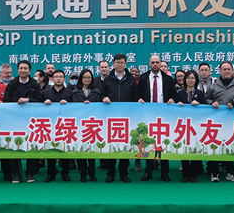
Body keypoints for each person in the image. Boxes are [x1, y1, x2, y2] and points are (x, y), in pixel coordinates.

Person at [206, 61, 234, 182]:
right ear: (220, 71)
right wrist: (211, 103)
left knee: (230, 146)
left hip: (231, 122)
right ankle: (214, 172)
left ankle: (230, 172)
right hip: (215, 122)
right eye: (224, 69)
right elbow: (205, 99)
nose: (226, 71)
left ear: (232, 71)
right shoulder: (213, 85)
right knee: (214, 146)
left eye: (228, 69)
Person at [138, 55, 177, 182]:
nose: (155, 64)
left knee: (163, 143)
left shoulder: (168, 79)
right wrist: (139, 99)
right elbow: (138, 95)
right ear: (149, 64)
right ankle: (148, 172)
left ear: (160, 64)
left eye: (157, 62)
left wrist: (173, 99)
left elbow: (174, 95)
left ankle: (165, 172)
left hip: (164, 116)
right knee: (148, 143)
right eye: (153, 62)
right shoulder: (143, 78)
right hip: (147, 115)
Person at [101, 53, 139, 183]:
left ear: (125, 64)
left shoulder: (131, 79)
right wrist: (104, 98)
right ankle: (110, 174)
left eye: (122, 62)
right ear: (113, 64)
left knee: (124, 147)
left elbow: (135, 97)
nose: (119, 65)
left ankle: (123, 174)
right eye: (117, 62)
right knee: (111, 147)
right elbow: (102, 94)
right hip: (111, 118)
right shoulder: (108, 79)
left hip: (127, 118)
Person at [4, 59, 43, 183]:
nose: (23, 70)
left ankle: (29, 173)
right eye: (21, 68)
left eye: (25, 68)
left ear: (29, 70)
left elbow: (40, 100)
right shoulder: (12, 84)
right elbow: (6, 101)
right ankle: (16, 174)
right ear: (18, 70)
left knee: (30, 146)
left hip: (31, 121)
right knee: (15, 146)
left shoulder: (35, 84)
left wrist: (28, 100)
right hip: (14, 120)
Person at [175, 70, 207, 183]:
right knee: (185, 149)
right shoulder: (180, 93)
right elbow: (173, 107)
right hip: (183, 126)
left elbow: (206, 108)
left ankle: (194, 174)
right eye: (188, 78)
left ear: (196, 80)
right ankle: (185, 174)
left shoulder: (200, 93)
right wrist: (177, 105)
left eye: (192, 78)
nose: (190, 80)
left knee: (195, 149)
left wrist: (199, 105)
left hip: (196, 126)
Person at [42, 70, 73, 182]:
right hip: (50, 125)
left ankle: (65, 173)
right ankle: (51, 173)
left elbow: (75, 108)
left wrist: (68, 104)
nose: (58, 79)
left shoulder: (70, 93)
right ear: (52, 79)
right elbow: (39, 108)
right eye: (56, 77)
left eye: (61, 77)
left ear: (64, 79)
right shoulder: (46, 93)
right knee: (51, 150)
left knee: (64, 150)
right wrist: (45, 103)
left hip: (65, 125)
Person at [72, 69, 101, 182]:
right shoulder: (75, 92)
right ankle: (83, 173)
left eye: (89, 77)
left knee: (91, 151)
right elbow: (73, 107)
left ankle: (92, 173)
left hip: (92, 125)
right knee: (81, 150)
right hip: (80, 125)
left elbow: (99, 107)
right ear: (81, 79)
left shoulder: (96, 92)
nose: (87, 79)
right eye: (85, 77)